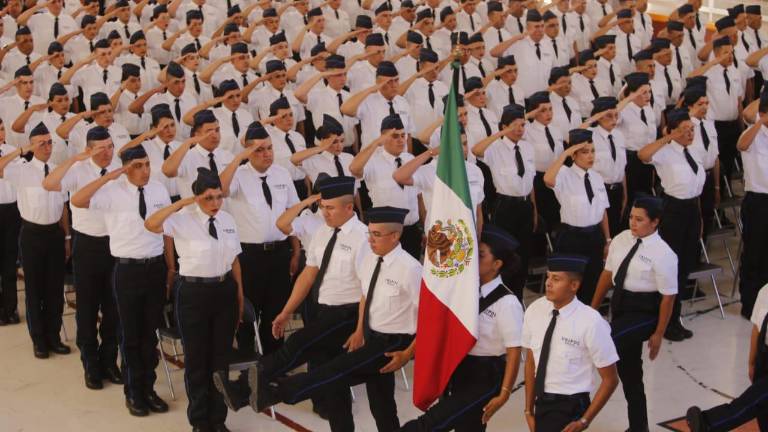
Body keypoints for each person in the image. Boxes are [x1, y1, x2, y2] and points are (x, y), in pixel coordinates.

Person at [227, 206, 420, 432]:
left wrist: (408, 353)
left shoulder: (411, 269)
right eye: (370, 233)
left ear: (395, 235)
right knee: (381, 403)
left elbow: (429, 318)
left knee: (335, 371)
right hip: (370, 334)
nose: (370, 240)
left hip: (394, 342)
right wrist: (359, 331)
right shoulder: (372, 260)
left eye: (376, 234)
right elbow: (365, 297)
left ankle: (275, 392)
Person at [241, 175, 368, 430]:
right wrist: (286, 311)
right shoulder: (323, 231)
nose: (324, 213)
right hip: (323, 309)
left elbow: (368, 288)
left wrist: (361, 329)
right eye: (322, 207)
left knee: (298, 343)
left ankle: (245, 387)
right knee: (332, 381)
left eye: (330, 208)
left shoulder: (363, 237)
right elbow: (309, 274)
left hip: (348, 313)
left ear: (349, 207)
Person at [70, 145, 172, 417]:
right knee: (130, 335)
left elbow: (167, 232)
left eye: (147, 164)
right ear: (126, 168)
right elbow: (77, 201)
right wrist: (110, 176)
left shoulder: (159, 190)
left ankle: (148, 389)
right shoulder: (111, 191)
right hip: (127, 270)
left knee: (150, 334)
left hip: (155, 268)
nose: (145, 170)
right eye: (137, 166)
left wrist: (170, 268)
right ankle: (133, 391)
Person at [144, 167, 243, 432]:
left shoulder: (228, 220)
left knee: (220, 360)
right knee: (197, 360)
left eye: (219, 197)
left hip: (224, 292)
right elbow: (151, 224)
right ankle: (199, 421)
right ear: (196, 197)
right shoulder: (182, 219)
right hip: (193, 294)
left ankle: (218, 419)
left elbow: (234, 261)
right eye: (208, 198)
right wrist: (181, 204)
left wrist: (240, 296)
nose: (215, 203)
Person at [398, 224, 523, 431]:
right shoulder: (464, 290)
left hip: (484, 376)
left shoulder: (507, 303)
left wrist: (505, 392)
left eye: (481, 255)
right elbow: (438, 324)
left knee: (431, 423)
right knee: (468, 426)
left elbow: (514, 350)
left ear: (497, 264)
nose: (474, 259)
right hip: (457, 367)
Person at [41, 126, 122, 389]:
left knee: (113, 309)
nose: (108, 153)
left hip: (116, 244)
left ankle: (109, 361)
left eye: (110, 146)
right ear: (89, 149)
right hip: (87, 245)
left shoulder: (119, 167)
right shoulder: (78, 169)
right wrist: (76, 158)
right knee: (87, 308)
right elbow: (49, 184)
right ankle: (91, 365)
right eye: (102, 148)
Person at [590, 196, 678, 432]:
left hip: (645, 311)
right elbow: (607, 275)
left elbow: (668, 297)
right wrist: (592, 308)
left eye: (639, 219)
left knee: (608, 341)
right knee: (631, 375)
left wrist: (659, 333)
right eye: (631, 217)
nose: (633, 223)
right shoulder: (620, 240)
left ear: (655, 222)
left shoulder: (664, 254)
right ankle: (639, 427)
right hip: (620, 305)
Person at [219, 121, 300, 355]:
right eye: (259, 150)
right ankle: (248, 367)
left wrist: (295, 251)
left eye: (269, 148)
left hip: (279, 253)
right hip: (249, 256)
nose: (266, 154)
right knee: (247, 312)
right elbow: (222, 190)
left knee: (277, 311)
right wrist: (239, 158)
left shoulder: (282, 173)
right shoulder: (238, 175)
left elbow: (292, 214)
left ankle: (274, 363)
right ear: (247, 152)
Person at [523, 253, 619, 432]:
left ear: (574, 285)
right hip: (541, 402)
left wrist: (584, 421)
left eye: (556, 279)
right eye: (549, 276)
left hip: (570, 404)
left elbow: (610, 380)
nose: (548, 283)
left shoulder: (591, 322)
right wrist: (528, 410)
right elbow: (530, 362)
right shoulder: (535, 310)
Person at [0, 122, 70, 359]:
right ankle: (38, 340)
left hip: (55, 234)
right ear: (32, 145)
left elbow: (63, 207)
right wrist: (22, 150)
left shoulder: (58, 169)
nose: (47, 147)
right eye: (42, 143)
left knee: (54, 287)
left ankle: (54, 336)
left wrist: (67, 235)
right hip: (32, 234)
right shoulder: (22, 169)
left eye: (50, 142)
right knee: (35, 289)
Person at [638, 107, 704, 342]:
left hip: (691, 209)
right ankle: (666, 322)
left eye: (692, 129)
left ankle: (674, 318)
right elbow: (642, 155)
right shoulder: (665, 152)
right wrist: (667, 138)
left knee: (685, 265)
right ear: (673, 131)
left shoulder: (694, 151)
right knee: (670, 269)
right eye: (684, 130)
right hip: (673, 210)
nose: (689, 133)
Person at [470, 104, 533, 298]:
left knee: (524, 255)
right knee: (504, 254)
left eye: (523, 125)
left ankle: (518, 295)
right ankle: (500, 295)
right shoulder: (495, 148)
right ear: (504, 126)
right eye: (515, 125)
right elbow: (476, 149)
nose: (520, 129)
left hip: (525, 205)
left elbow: (530, 182)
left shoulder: (527, 147)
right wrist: (503, 133)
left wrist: (534, 210)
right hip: (505, 207)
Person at [685, 283, 768, 432]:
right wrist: (751, 362)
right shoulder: (766, 291)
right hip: (765, 356)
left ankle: (710, 422)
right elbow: (757, 326)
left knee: (754, 399)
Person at [544, 129, 610, 305]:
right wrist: (565, 152)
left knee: (593, 279)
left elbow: (603, 210)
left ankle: (590, 316)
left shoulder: (596, 177)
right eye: (585, 152)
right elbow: (548, 179)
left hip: (595, 235)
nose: (591, 156)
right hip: (571, 237)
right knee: (570, 283)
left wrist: (608, 239)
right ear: (573, 155)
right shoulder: (564, 174)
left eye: (593, 151)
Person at [349, 114, 421, 258]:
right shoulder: (373, 163)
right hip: (385, 234)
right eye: (395, 136)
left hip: (412, 229)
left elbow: (419, 195)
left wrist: (424, 228)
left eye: (403, 135)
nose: (401, 140)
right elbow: (354, 169)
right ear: (383, 137)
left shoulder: (410, 159)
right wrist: (376, 143)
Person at [735, 91, 768, 319]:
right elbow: (741, 144)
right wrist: (760, 122)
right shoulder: (753, 134)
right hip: (757, 201)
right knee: (753, 253)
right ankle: (749, 304)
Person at [0, 119, 21, 325]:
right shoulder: (13, 154)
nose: (1, 133)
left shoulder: (11, 150)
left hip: (12, 210)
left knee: (10, 261)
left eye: (2, 128)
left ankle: (10, 307)